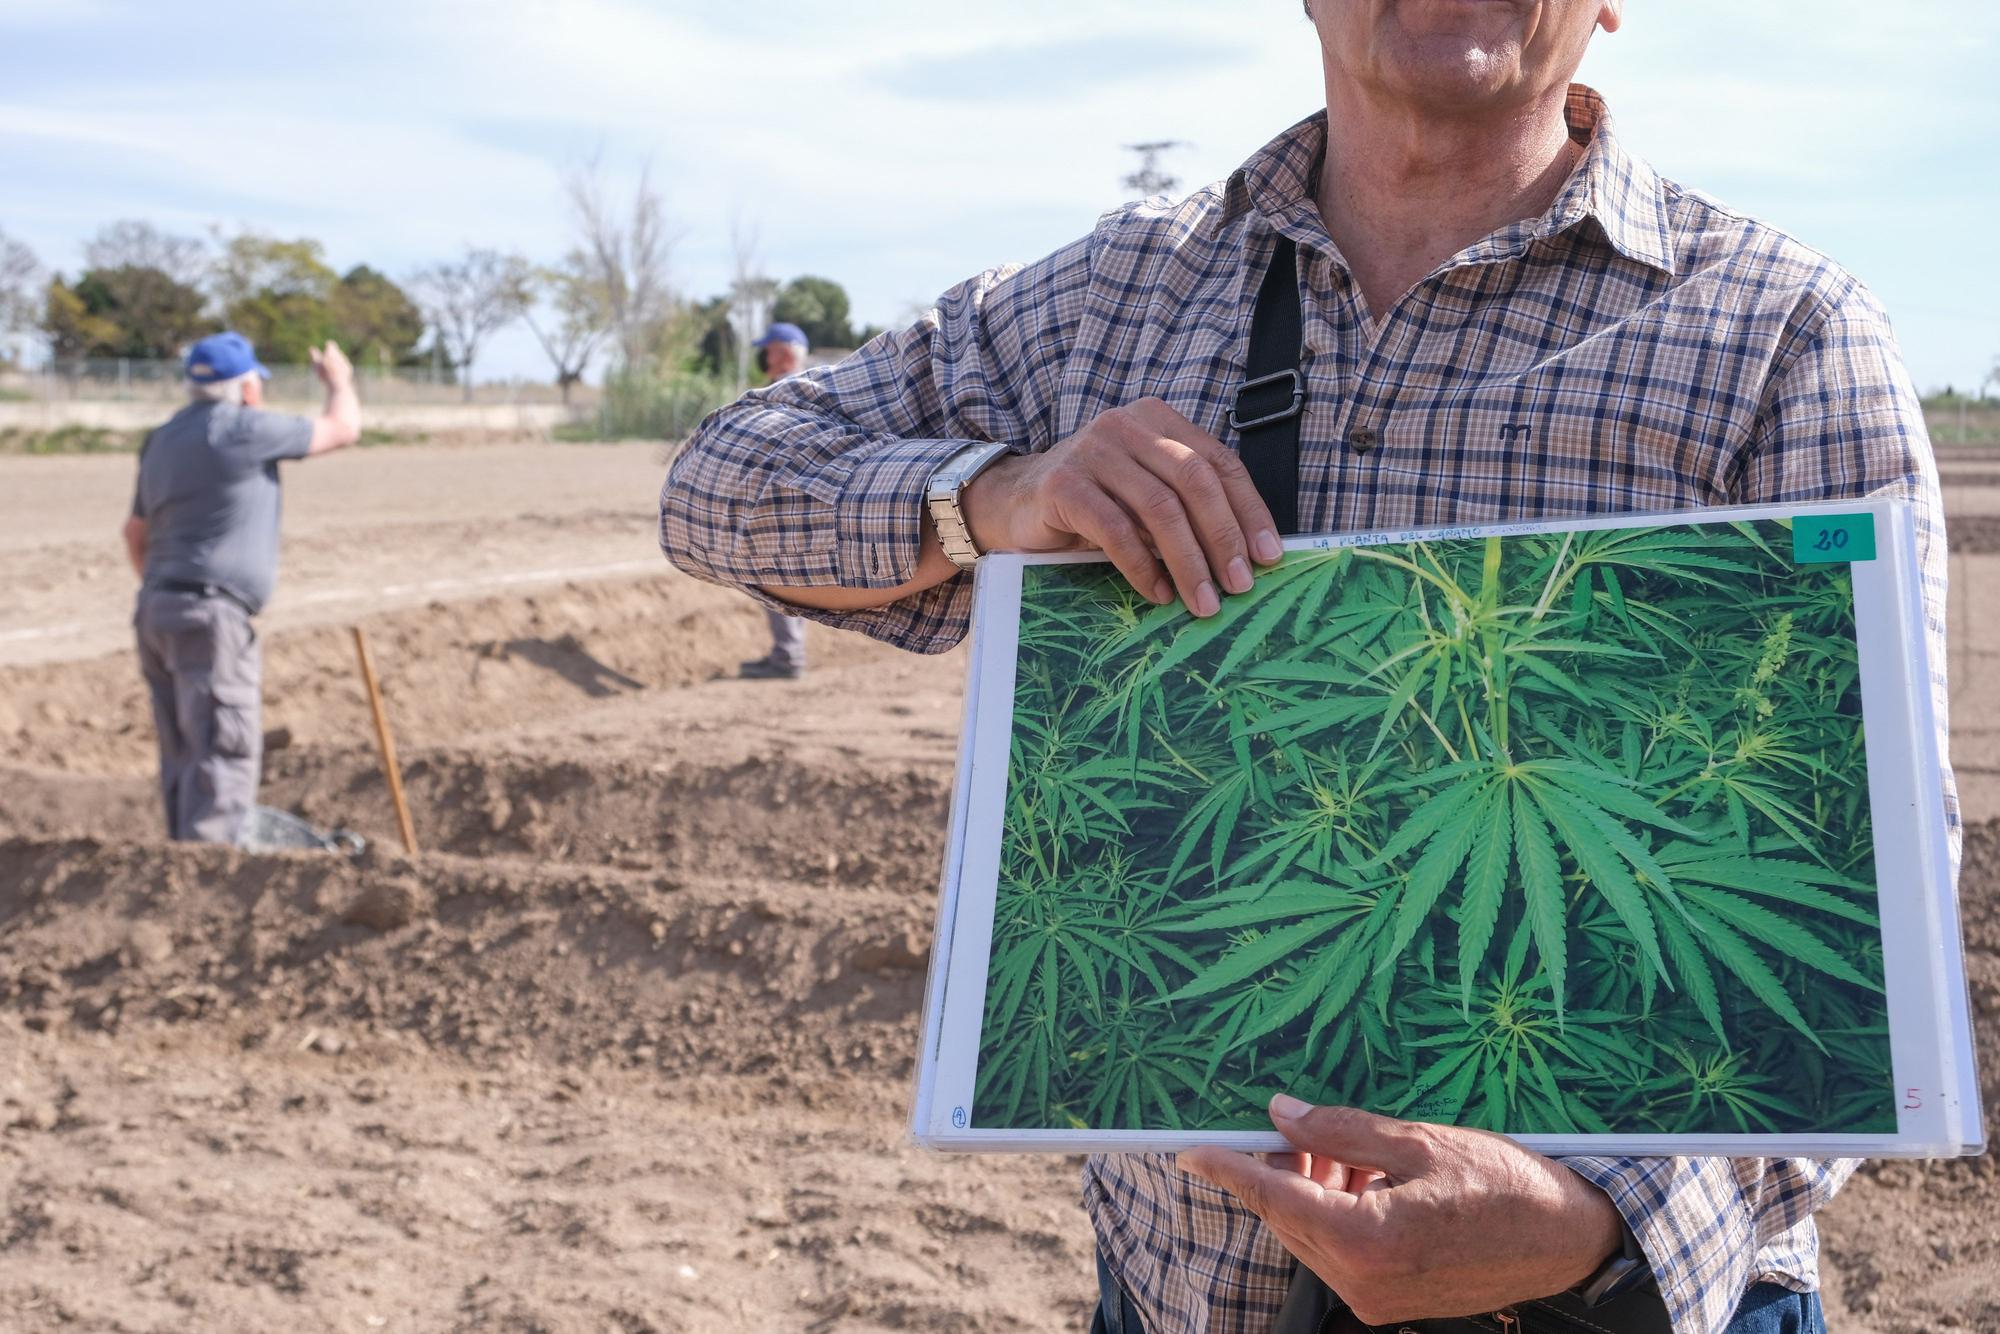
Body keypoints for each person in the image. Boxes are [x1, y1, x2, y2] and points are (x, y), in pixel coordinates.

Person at [659, 1, 1956, 1330]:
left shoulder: (1780, 331)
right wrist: (996, 493)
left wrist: (1599, 1220)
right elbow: (719, 484)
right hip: (1185, 1290)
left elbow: (1872, 920)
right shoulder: (1113, 297)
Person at [125, 331, 361, 844]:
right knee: (221, 752)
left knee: (184, 752)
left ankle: (181, 861)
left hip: (156, 608)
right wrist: (339, 381)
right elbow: (343, 428)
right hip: (211, 615)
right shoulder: (242, 430)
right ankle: (209, 875)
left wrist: (170, 593)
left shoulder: (161, 439)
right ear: (248, 388)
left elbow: (134, 534)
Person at [736, 321, 816, 681]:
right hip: (788, 497)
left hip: (783, 500)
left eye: (769, 350)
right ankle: (787, 653)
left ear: (784, 353)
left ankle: (787, 657)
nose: (764, 356)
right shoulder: (809, 387)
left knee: (775, 575)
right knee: (780, 576)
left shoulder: (790, 391)